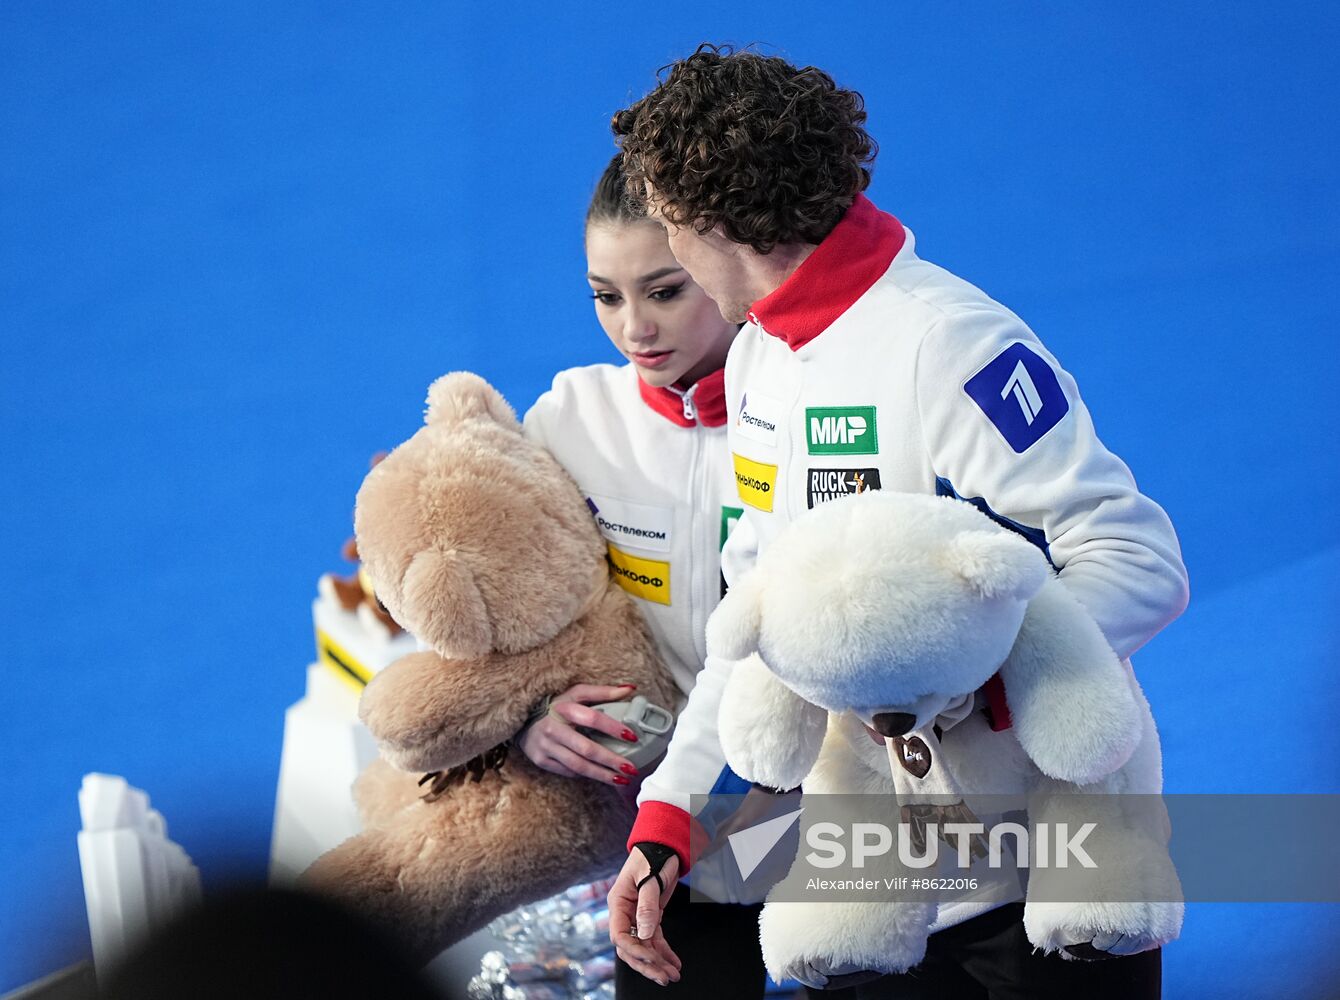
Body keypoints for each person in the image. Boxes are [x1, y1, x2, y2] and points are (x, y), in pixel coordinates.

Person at [604, 46, 1190, 999]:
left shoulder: (949, 342)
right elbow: (759, 624)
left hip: (1044, 878)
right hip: (871, 879)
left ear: (715, 221)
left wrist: (971, 678)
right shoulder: (758, 360)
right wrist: (673, 818)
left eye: (671, 226)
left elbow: (1134, 556)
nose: (672, 252)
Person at [518, 153, 776, 998]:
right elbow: (510, 614)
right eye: (606, 295)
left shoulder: (815, 411)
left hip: (841, 824)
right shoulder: (570, 422)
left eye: (665, 291)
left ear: (726, 264)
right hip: (675, 846)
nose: (635, 328)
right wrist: (530, 718)